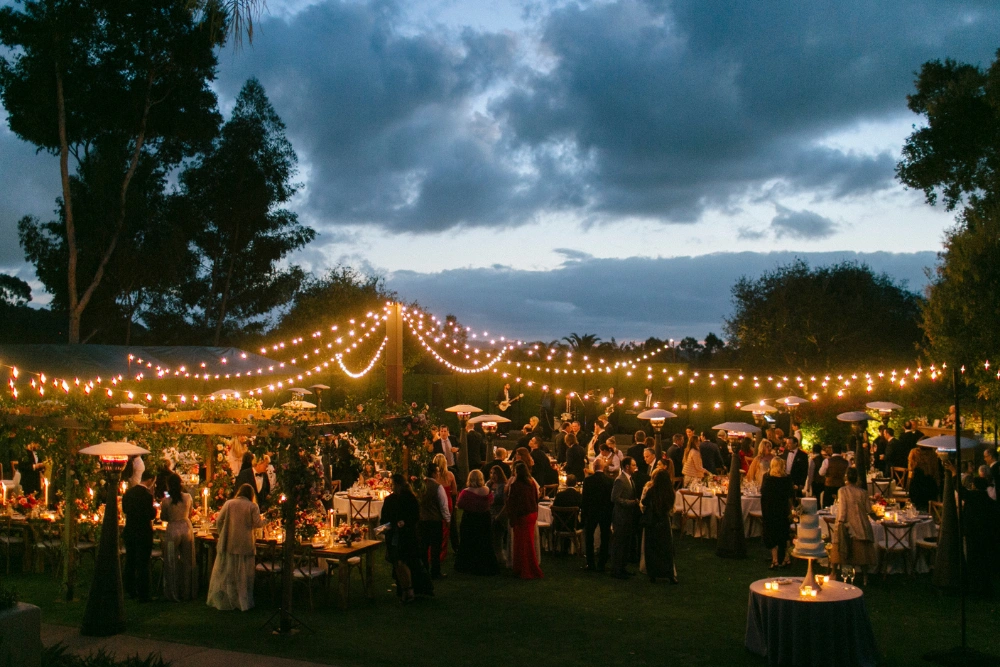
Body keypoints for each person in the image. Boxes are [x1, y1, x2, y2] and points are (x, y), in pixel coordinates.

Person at [207, 484, 264, 611]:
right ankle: (242, 599)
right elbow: (258, 524)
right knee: (244, 573)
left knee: (228, 571)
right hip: (245, 543)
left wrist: (223, 533)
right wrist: (267, 519)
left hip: (229, 542)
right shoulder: (252, 506)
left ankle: (227, 598)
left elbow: (219, 520)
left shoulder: (229, 503)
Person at [380, 474, 433, 602]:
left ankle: (408, 589)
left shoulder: (408, 498)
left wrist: (404, 522)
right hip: (394, 534)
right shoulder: (390, 500)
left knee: (403, 561)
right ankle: (404, 588)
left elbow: (414, 516)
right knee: (397, 563)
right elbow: (384, 517)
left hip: (406, 535)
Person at [831, 467, 877, 585]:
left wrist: (840, 523)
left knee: (839, 547)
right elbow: (868, 509)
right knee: (863, 554)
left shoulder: (842, 491)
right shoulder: (863, 492)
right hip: (861, 524)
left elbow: (843, 509)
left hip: (847, 523)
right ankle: (865, 577)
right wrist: (877, 518)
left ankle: (834, 573)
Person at [454, 470, 497, 576]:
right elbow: (491, 502)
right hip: (484, 518)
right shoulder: (487, 490)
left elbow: (459, 504)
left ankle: (468, 565)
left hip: (470, 518)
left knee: (468, 541)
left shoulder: (466, 492)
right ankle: (485, 564)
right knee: (484, 541)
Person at [122, 470, 157, 602]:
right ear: (150, 480)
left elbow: (125, 510)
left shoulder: (129, 493)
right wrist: (154, 510)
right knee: (143, 562)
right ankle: (143, 593)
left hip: (130, 530)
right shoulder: (147, 496)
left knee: (130, 560)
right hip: (143, 532)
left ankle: (129, 589)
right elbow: (150, 514)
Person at [161, 473, 196, 601]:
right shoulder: (187, 497)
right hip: (186, 527)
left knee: (171, 561)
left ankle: (173, 592)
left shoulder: (166, 500)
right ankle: (187, 591)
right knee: (188, 560)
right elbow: (191, 511)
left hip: (173, 527)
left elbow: (163, 516)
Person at [506, 462, 543, 579]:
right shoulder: (531, 484)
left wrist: (512, 517)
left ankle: (525, 568)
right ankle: (525, 566)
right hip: (531, 514)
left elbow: (512, 502)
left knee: (521, 543)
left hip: (521, 516)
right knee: (528, 542)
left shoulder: (516, 485)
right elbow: (536, 498)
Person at [640, 468, 677, 584]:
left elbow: (644, 502)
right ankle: (669, 574)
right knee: (666, 548)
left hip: (653, 521)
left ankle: (653, 573)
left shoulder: (652, 490)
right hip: (664, 521)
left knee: (652, 548)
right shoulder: (670, 492)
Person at [419, 462, 451, 580]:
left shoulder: (419, 485)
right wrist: (447, 519)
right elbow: (443, 505)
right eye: (437, 472)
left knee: (423, 547)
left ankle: (424, 570)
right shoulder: (437, 487)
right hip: (434, 520)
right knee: (435, 547)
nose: (438, 474)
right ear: (433, 473)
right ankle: (435, 572)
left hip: (422, 520)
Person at [609, 457, 639, 579]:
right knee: (619, 544)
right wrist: (631, 502)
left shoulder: (630, 479)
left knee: (626, 543)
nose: (635, 467)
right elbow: (615, 498)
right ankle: (616, 570)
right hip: (621, 517)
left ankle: (623, 567)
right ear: (627, 467)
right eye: (633, 465)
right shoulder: (620, 480)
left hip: (628, 516)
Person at [761, 457, 794, 568]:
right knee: (784, 533)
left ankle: (775, 559)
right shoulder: (787, 479)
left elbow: (763, 493)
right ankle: (786, 558)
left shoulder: (767, 478)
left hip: (770, 509)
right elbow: (790, 496)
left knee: (772, 533)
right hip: (783, 509)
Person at [581, 458, 613, 572]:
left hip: (592, 512)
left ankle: (590, 563)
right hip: (605, 512)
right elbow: (611, 500)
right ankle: (602, 563)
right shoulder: (610, 481)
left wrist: (583, 514)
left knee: (589, 537)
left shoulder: (588, 480)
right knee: (605, 538)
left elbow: (584, 499)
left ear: (594, 467)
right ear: (603, 467)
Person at [434, 453, 458, 557]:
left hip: (436, 502)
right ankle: (451, 547)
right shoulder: (450, 475)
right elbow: (454, 492)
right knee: (449, 525)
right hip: (448, 501)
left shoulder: (433, 476)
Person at [908, 444, 942, 511]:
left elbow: (910, 467)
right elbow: (935, 471)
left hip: (917, 483)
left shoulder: (914, 452)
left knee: (916, 505)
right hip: (930, 484)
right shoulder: (933, 454)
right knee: (929, 507)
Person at [487, 466, 509, 567]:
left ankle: (500, 558)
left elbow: (504, 501)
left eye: (495, 473)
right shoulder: (488, 484)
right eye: (491, 473)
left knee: (498, 537)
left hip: (499, 512)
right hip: (489, 512)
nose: (492, 475)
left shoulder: (503, 485)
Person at [819, 442, 849, 507]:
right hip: (841, 486)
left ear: (832, 450)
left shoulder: (827, 461)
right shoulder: (846, 462)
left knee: (827, 506)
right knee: (840, 506)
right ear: (841, 451)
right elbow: (848, 474)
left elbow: (821, 473)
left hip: (829, 486)